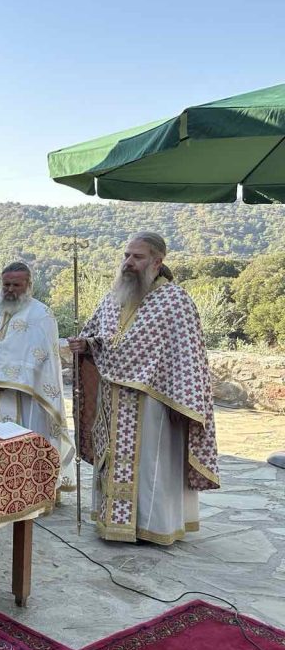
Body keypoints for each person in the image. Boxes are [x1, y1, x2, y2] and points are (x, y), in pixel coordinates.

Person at [69, 231, 219, 545]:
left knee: (151, 467)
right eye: (126, 255)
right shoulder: (114, 296)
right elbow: (102, 337)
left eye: (137, 257)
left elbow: (188, 357)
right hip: (112, 398)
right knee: (113, 464)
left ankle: (154, 527)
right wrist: (86, 343)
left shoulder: (175, 300)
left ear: (157, 260)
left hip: (153, 402)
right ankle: (114, 523)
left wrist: (186, 402)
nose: (129, 262)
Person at [0, 262, 75, 499]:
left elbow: (43, 358)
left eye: (16, 285)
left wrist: (9, 378)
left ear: (29, 285)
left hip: (26, 396)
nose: (10, 290)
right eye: (6, 284)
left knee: (24, 444)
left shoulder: (42, 315)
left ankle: (29, 494)